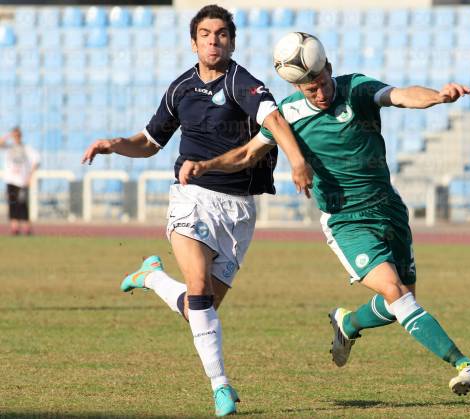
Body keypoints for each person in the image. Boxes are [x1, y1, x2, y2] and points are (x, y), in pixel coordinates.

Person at [178, 35, 470, 396]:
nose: (321, 94)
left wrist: (438, 96)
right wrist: (206, 165)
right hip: (346, 220)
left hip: (388, 208)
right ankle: (463, 364)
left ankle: (348, 322)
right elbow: (247, 154)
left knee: (398, 303)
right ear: (298, 86)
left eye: (323, 83)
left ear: (329, 69)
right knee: (397, 293)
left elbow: (401, 95)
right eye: (311, 90)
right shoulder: (289, 115)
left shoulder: (355, 88)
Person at [81, 6, 312, 417]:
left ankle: (150, 277)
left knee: (198, 309)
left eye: (221, 34)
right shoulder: (180, 89)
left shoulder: (245, 83)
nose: (213, 41)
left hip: (239, 211)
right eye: (205, 34)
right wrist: (115, 143)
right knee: (200, 288)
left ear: (232, 41)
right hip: (191, 198)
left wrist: (296, 160)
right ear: (193, 42)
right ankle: (221, 387)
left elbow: (274, 121)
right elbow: (151, 141)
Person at [0, 127, 40, 236]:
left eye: (18, 135)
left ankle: (27, 228)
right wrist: (9, 135)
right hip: (11, 181)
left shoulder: (26, 148)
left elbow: (36, 161)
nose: (16, 137)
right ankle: (14, 228)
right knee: (13, 204)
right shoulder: (9, 147)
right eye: (15, 135)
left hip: (22, 181)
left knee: (23, 204)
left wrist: (30, 177)